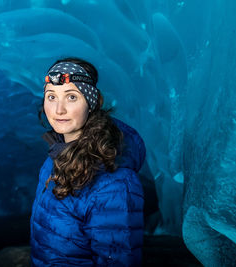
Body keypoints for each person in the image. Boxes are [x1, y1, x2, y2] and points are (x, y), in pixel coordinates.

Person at [30, 57, 146, 266]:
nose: (58, 110)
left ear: (91, 103)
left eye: (72, 97)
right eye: (51, 96)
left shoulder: (114, 183)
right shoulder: (56, 156)